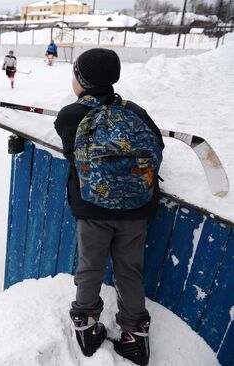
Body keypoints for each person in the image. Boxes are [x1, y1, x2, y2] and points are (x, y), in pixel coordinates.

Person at [53, 48, 164, 366]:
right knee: (130, 270)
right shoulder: (136, 112)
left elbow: (71, 153)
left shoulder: (70, 116)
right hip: (136, 209)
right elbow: (157, 147)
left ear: (82, 81)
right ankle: (135, 334)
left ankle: (85, 324)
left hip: (92, 210)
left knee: (90, 268)